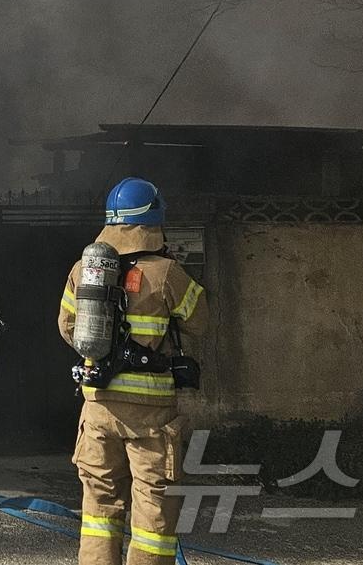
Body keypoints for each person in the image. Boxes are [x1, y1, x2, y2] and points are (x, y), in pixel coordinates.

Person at [58, 179, 206, 565]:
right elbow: (199, 323)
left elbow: (67, 327)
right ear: (154, 219)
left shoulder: (83, 269)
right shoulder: (167, 273)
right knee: (153, 510)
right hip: (150, 414)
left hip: (98, 408)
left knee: (99, 506)